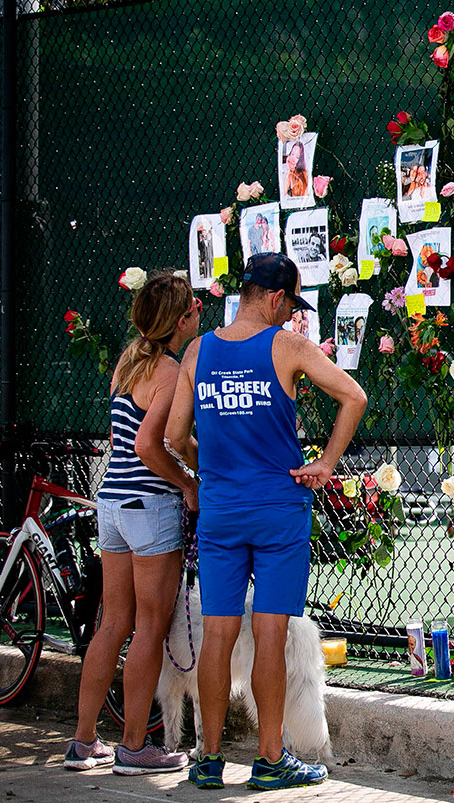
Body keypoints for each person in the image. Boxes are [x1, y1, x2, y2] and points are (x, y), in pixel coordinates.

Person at [166, 252, 367, 790]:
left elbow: (172, 435)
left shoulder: (197, 351)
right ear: (276, 298)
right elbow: (354, 395)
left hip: (221, 510)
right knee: (271, 634)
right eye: (291, 305)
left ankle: (207, 759)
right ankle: (271, 759)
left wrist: (211, 464)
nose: (291, 316)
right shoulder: (288, 347)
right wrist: (325, 463)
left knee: (218, 635)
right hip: (278, 511)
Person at [66, 274, 201, 775]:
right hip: (149, 504)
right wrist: (188, 484)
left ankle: (83, 742)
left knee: (113, 623)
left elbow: (122, 436)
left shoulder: (128, 360)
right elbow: (149, 445)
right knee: (149, 627)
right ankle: (133, 747)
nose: (199, 309)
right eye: (193, 305)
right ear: (181, 319)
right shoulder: (168, 370)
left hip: (113, 503)